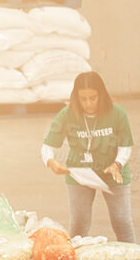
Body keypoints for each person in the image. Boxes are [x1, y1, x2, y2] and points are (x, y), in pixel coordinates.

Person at [41, 71, 135, 242]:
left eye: (93, 98)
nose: (88, 104)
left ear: (102, 94)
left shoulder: (117, 113)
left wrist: (117, 164)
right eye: (82, 99)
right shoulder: (67, 114)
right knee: (78, 225)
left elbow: (126, 145)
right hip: (80, 173)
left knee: (122, 222)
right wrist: (50, 161)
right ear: (76, 97)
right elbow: (48, 145)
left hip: (113, 172)